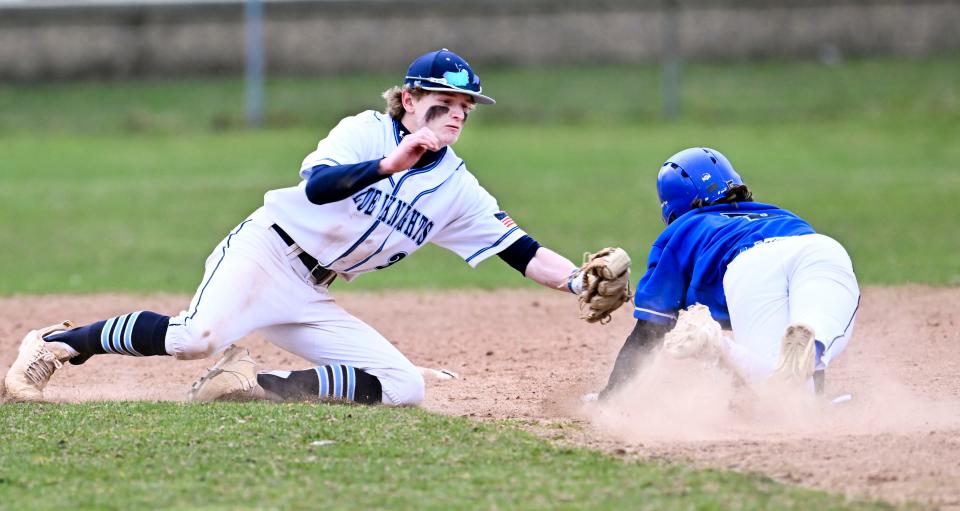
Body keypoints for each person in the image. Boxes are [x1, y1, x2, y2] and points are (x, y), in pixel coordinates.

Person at [4, 49, 627, 406]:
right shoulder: (365, 131)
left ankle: (252, 381)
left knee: (404, 387)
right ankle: (59, 344)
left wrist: (576, 281)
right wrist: (390, 162)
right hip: (266, 252)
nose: (456, 114)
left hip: (312, 289)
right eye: (442, 100)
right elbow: (316, 188)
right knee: (194, 335)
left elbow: (518, 249)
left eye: (465, 107)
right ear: (407, 100)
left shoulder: (457, 188)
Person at [596, 147, 860, 400]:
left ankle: (717, 343)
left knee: (775, 389)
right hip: (817, 248)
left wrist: (608, 399)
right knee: (815, 324)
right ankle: (814, 359)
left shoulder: (683, 230)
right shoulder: (778, 214)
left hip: (750, 265)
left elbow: (649, 329)